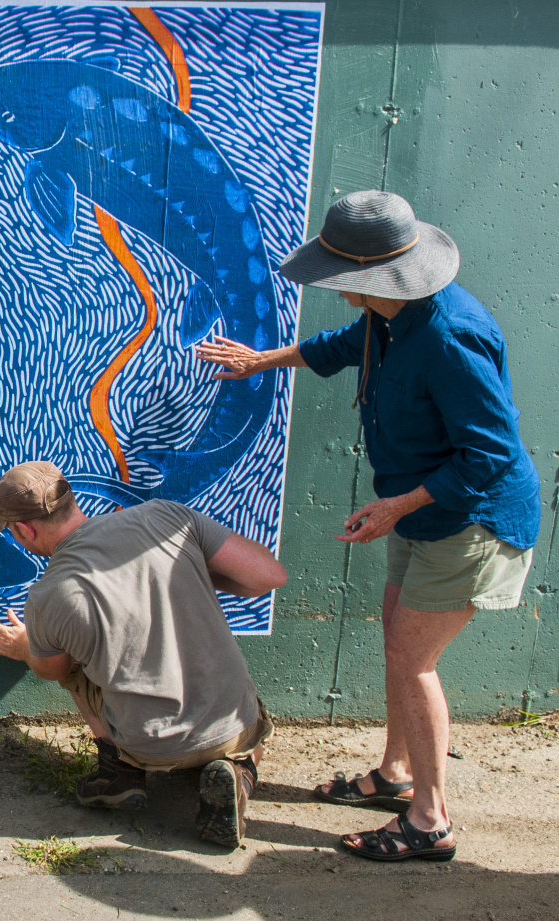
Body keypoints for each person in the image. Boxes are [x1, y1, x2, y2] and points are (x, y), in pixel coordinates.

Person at [196, 190, 540, 862]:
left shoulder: (448, 336)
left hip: (470, 517)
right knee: (397, 639)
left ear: (366, 276)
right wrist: (261, 360)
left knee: (413, 660)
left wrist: (396, 507)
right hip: (425, 511)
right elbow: (342, 346)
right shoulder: (390, 318)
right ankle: (395, 774)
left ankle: (430, 819)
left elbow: (490, 456)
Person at [0, 461, 287, 848]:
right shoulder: (167, 516)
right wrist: (197, 576)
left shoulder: (47, 596)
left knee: (71, 665)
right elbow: (269, 576)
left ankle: (118, 770)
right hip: (232, 725)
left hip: (148, 746)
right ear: (71, 500)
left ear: (25, 530)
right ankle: (239, 773)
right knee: (240, 711)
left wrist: (24, 647)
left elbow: (53, 671)